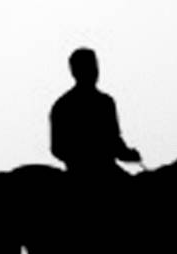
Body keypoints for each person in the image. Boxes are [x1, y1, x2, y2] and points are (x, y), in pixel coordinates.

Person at [50, 48, 141, 183]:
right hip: (98, 172)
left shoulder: (62, 105)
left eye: (94, 66)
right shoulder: (104, 103)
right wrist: (126, 154)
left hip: (78, 172)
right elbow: (114, 142)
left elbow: (57, 148)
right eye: (90, 67)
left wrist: (127, 154)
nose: (94, 71)